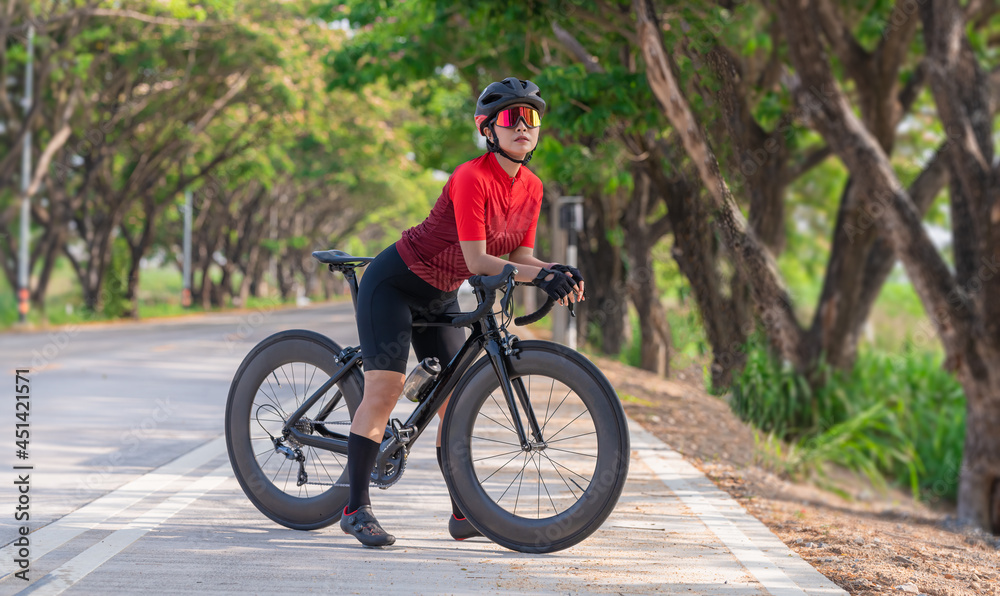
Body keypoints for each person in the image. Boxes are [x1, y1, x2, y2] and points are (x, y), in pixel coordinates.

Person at [340, 77, 586, 548]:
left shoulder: (532, 187)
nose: (523, 126)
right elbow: (478, 263)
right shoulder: (471, 177)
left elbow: (522, 258)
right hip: (394, 283)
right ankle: (355, 509)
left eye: (531, 118)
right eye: (511, 118)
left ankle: (461, 514)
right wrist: (540, 276)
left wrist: (557, 270)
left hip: (440, 292)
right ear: (487, 129)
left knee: (453, 405)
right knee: (385, 392)